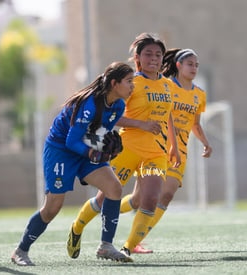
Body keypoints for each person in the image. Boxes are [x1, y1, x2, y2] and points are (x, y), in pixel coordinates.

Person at [67, 33, 181, 261]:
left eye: (158, 55)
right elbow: (112, 116)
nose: (154, 58)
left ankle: (127, 248)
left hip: (155, 153)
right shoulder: (131, 83)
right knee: (104, 199)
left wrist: (174, 146)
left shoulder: (168, 85)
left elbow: (168, 116)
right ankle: (77, 227)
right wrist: (141, 124)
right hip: (127, 149)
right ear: (137, 58)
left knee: (149, 199)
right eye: (148, 54)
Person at [11, 61, 135, 266]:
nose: (132, 86)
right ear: (114, 83)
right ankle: (20, 251)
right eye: (129, 81)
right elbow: (70, 141)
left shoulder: (119, 105)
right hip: (61, 150)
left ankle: (106, 245)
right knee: (52, 208)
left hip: (83, 148)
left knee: (114, 188)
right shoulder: (90, 104)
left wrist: (105, 148)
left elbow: (98, 135)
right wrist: (95, 155)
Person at [119, 48, 212, 253]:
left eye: (196, 65)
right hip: (156, 147)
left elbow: (195, 124)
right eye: (190, 64)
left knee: (166, 195)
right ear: (178, 65)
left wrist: (205, 142)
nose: (194, 68)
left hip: (180, 151)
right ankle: (110, 210)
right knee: (137, 200)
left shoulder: (199, 95)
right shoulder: (165, 85)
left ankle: (134, 242)